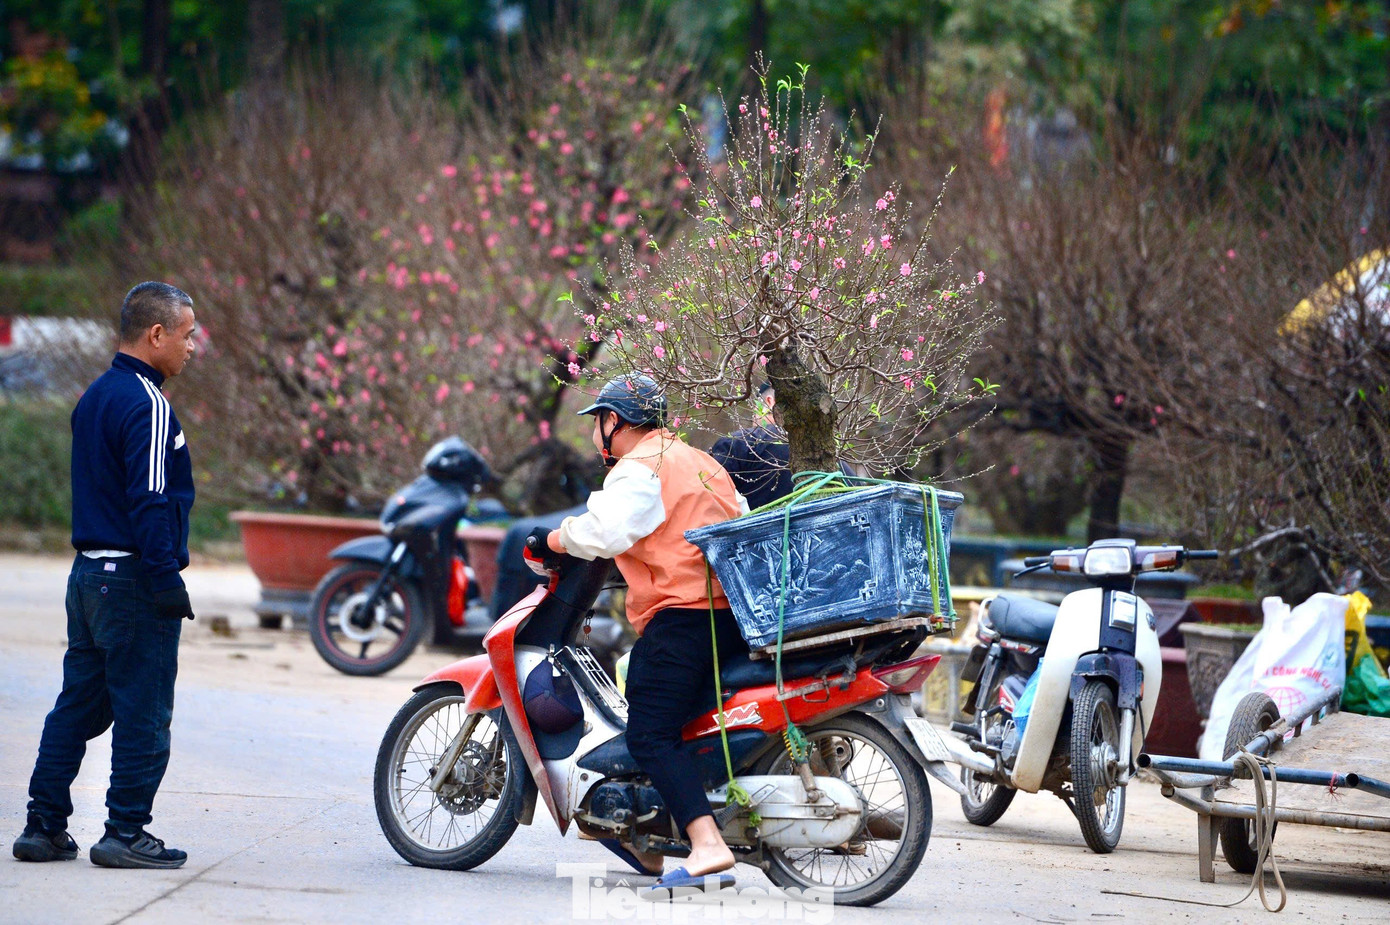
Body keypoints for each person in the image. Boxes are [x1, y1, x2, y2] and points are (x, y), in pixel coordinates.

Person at [530, 374, 747, 889]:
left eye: (597, 423)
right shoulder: (699, 460)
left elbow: (606, 530)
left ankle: (707, 845)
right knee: (673, 723)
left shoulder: (640, 466)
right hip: (729, 616)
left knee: (649, 735)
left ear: (615, 421)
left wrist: (553, 539)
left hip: (683, 618)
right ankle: (646, 844)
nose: (595, 436)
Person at [13, 282, 198, 870]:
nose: (192, 347)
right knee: (144, 712)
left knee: (78, 705)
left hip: (87, 576)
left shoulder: (94, 396)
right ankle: (125, 832)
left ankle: (43, 827)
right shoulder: (148, 402)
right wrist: (165, 577)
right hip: (132, 580)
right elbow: (149, 498)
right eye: (187, 334)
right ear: (156, 334)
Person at [709, 382, 792, 511]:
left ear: (770, 402)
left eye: (755, 409)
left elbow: (708, 491)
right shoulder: (819, 444)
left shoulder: (738, 443)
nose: (753, 417)